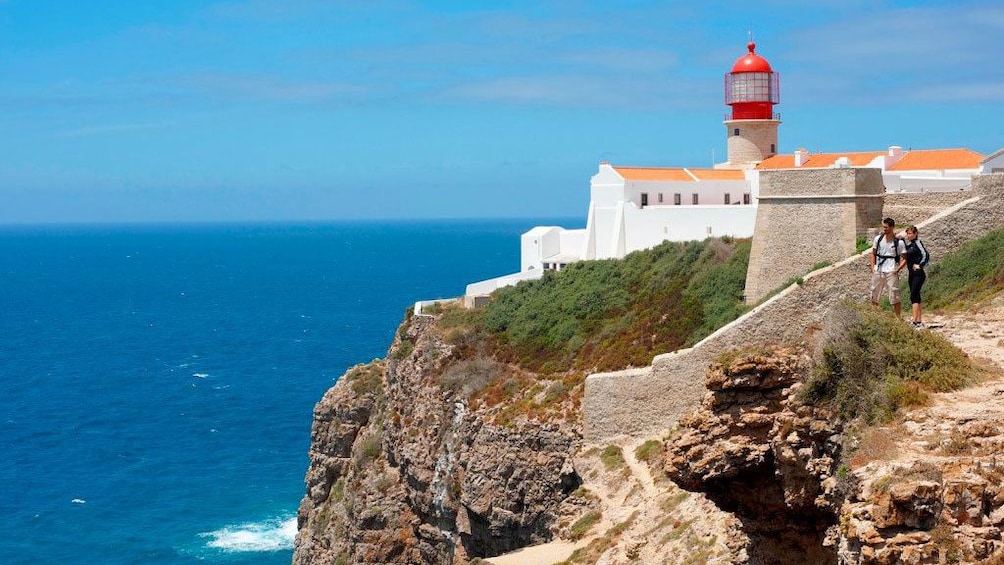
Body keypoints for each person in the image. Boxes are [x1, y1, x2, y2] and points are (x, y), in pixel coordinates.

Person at [869, 217, 907, 316]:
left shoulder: (899, 242)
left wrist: (898, 269)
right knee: (874, 294)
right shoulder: (878, 239)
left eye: (886, 227)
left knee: (895, 296)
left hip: (891, 271)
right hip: (879, 270)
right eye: (883, 227)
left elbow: (905, 258)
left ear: (892, 227)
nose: (884, 229)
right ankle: (874, 317)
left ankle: (898, 319)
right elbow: (873, 253)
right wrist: (873, 268)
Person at [903, 225, 930, 328]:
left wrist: (920, 265)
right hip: (911, 274)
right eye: (907, 233)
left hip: (919, 274)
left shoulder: (918, 243)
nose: (908, 235)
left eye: (910, 233)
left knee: (913, 295)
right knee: (916, 296)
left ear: (915, 234)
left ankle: (914, 321)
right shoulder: (909, 245)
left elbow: (925, 255)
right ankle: (918, 321)